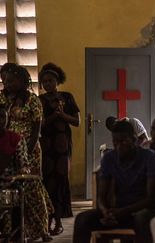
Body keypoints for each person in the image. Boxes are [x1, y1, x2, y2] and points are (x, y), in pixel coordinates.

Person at [73, 120, 155, 243]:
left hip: (141, 210)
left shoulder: (148, 157)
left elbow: (152, 198)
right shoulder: (109, 159)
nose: (119, 146)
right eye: (115, 142)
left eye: (124, 141)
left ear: (135, 139)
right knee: (82, 219)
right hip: (117, 212)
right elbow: (101, 196)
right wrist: (105, 212)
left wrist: (122, 211)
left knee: (142, 219)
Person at [0, 64, 53, 241]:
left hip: (29, 149)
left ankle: (41, 228)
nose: (7, 84)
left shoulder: (33, 101)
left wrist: (27, 154)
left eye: (11, 81)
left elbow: (37, 129)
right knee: (11, 188)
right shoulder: (3, 99)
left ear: (23, 81)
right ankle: (17, 230)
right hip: (6, 148)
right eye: (5, 81)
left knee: (31, 190)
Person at [38, 63, 80, 236]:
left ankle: (59, 221)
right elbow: (39, 124)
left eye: (50, 80)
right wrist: (54, 116)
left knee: (61, 180)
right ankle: (47, 221)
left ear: (58, 81)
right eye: (44, 81)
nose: (47, 84)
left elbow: (77, 122)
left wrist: (62, 115)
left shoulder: (67, 97)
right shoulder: (39, 100)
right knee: (48, 182)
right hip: (46, 146)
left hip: (62, 146)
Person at [0, 105, 29, 239]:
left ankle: (15, 235)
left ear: (8, 119)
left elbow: (23, 165)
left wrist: (17, 175)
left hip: (8, 184)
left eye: (2, 117)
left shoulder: (16, 139)